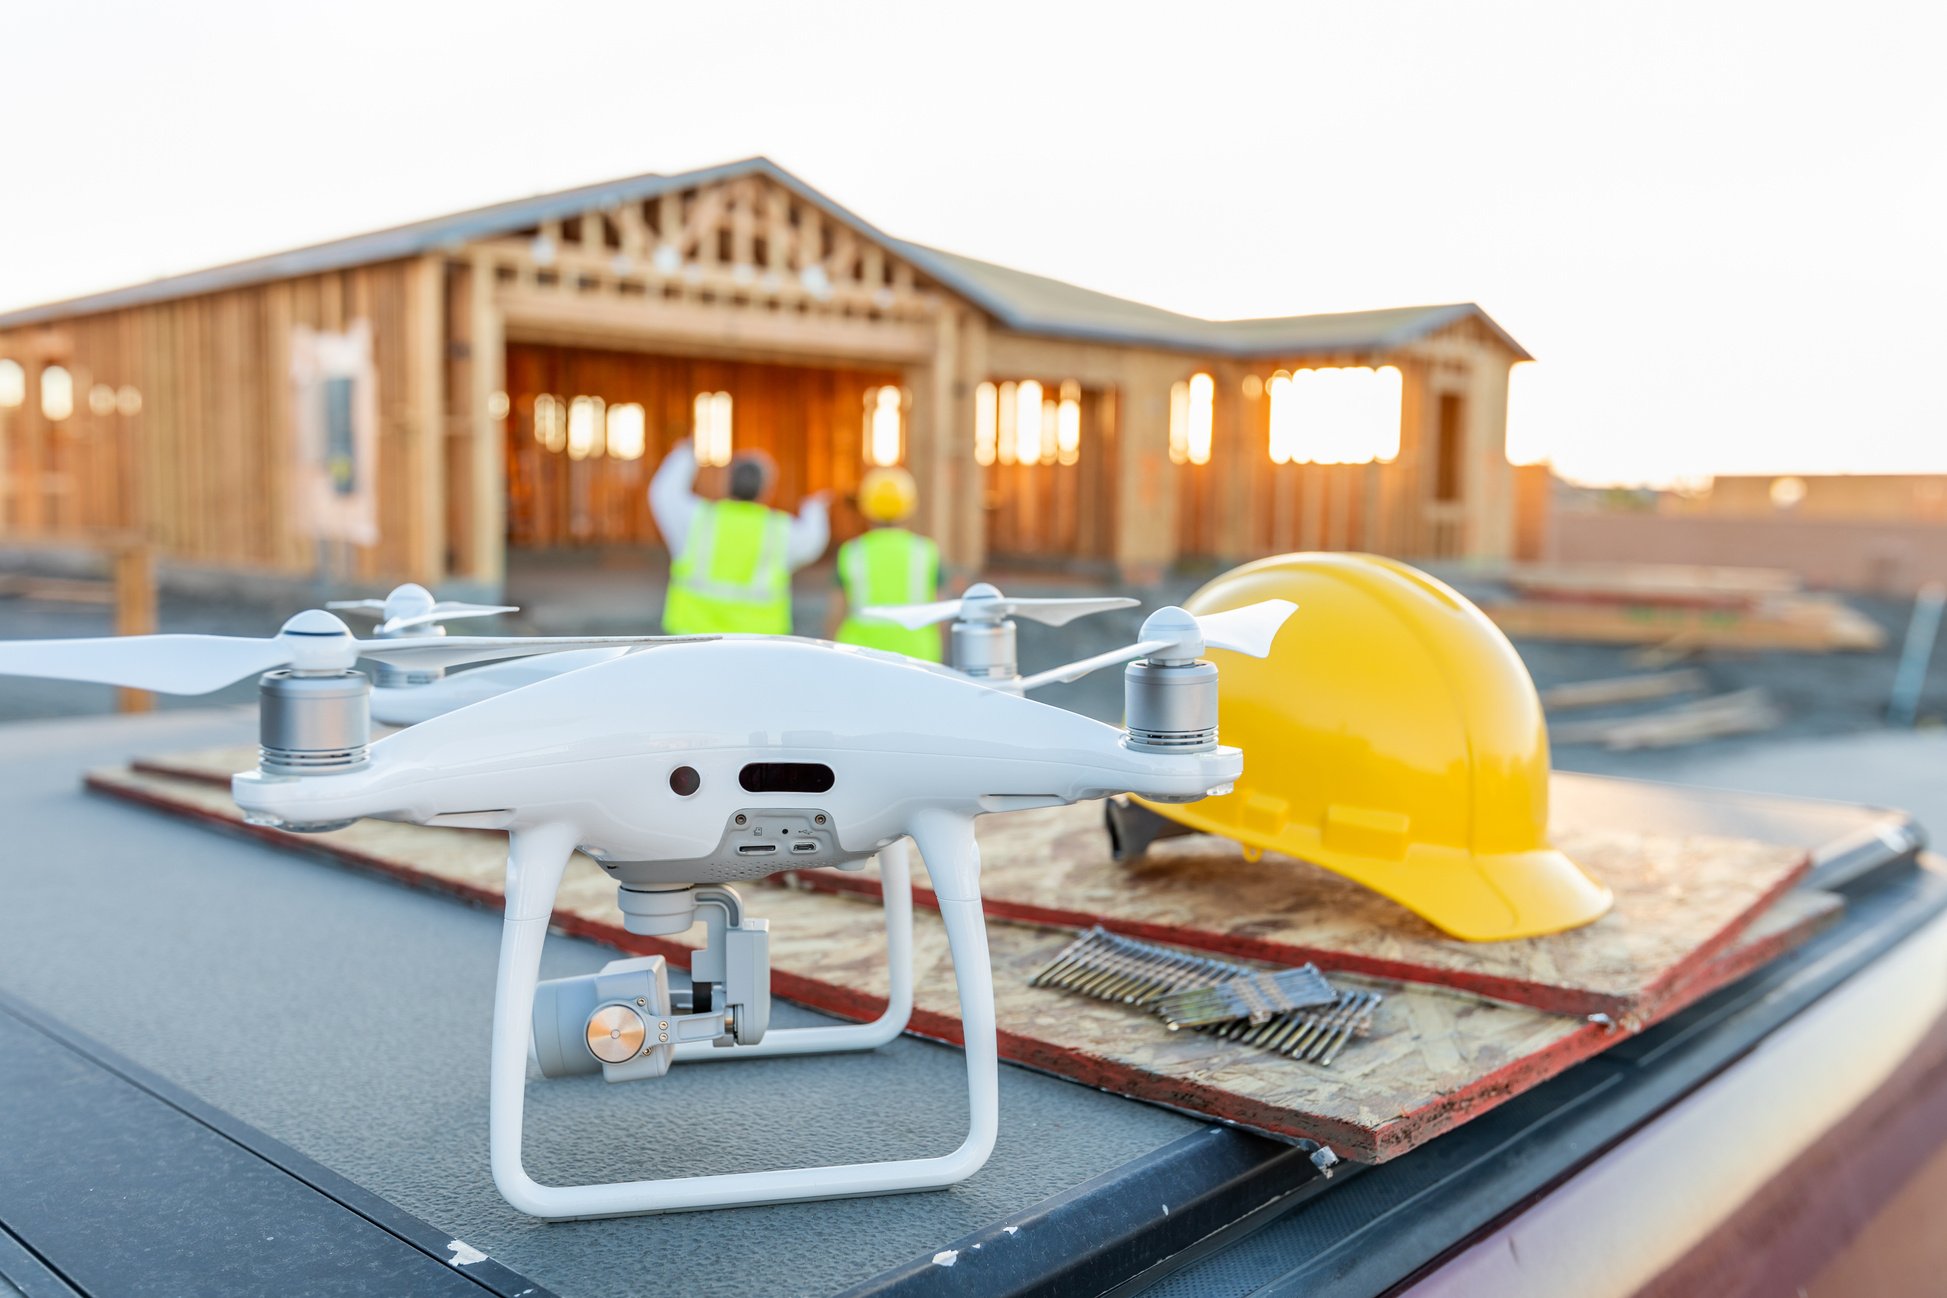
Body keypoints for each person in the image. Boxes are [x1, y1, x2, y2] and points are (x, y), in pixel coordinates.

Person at [649, 441, 829, 635]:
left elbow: (664, 493)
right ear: (766, 489)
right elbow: (812, 540)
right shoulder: (780, 531)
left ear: (727, 483)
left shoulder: (697, 521)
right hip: (757, 642)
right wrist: (815, 509)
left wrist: (685, 454)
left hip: (692, 638)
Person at [829, 465, 943, 661]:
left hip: (860, 656)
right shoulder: (926, 552)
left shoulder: (851, 552)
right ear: (910, 506)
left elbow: (836, 613)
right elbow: (939, 616)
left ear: (865, 506)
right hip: (917, 656)